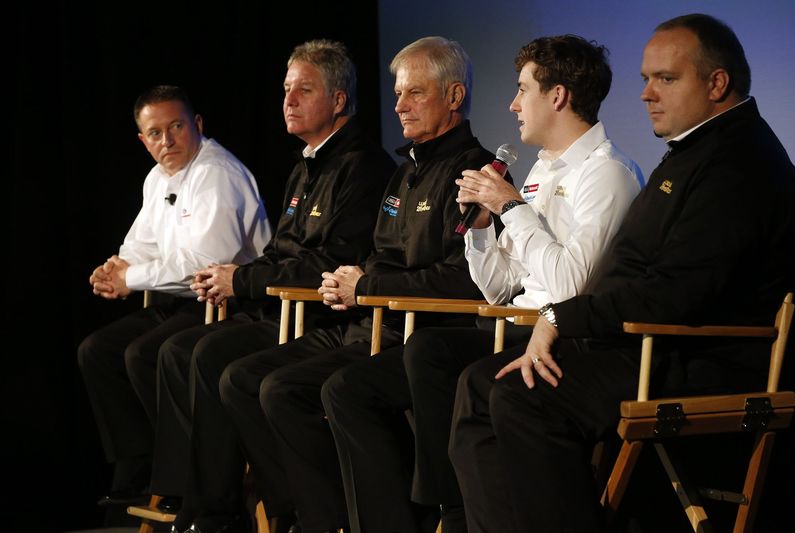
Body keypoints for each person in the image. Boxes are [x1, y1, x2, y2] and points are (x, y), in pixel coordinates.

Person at [448, 13, 795, 533]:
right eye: (645, 79)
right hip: (650, 341)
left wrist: (560, 319)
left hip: (697, 355)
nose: (646, 94)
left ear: (717, 83)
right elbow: (635, 274)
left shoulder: (739, 164)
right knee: (480, 383)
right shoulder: (694, 151)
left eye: (666, 78)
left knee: (524, 398)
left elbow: (676, 294)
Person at [321, 34, 645, 533]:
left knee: (434, 355)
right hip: (514, 321)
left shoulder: (608, 174)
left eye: (522, 90)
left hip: (565, 334)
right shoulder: (540, 170)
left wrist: (511, 208)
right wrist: (478, 233)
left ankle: (450, 512)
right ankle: (450, 509)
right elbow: (501, 286)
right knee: (425, 354)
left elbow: (568, 288)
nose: (513, 104)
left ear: (557, 96)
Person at [219, 36, 504, 533]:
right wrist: (347, 282)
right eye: (397, 94)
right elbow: (378, 254)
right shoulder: (406, 172)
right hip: (368, 322)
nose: (399, 106)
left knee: (330, 390)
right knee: (255, 381)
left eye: (415, 93)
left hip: (422, 335)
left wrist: (367, 284)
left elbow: (463, 280)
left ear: (454, 97)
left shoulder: (472, 172)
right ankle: (318, 516)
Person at [153, 40, 396, 533]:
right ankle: (211, 500)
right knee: (179, 350)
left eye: (304, 90)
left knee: (217, 362)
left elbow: (329, 264)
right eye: (287, 90)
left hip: (320, 318)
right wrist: (229, 280)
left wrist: (242, 279)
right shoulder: (304, 165)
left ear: (339, 101)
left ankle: (245, 510)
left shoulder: (363, 167)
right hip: (280, 309)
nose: (288, 101)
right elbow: (279, 253)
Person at [77, 85, 272, 508]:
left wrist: (135, 278)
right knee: (97, 350)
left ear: (197, 125)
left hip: (231, 303)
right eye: (155, 133)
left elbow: (205, 263)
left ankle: (186, 477)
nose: (167, 141)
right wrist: (116, 269)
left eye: (176, 127)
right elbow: (141, 245)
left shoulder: (217, 173)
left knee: (146, 353)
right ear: (142, 140)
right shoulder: (158, 177)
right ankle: (143, 465)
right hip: (182, 301)